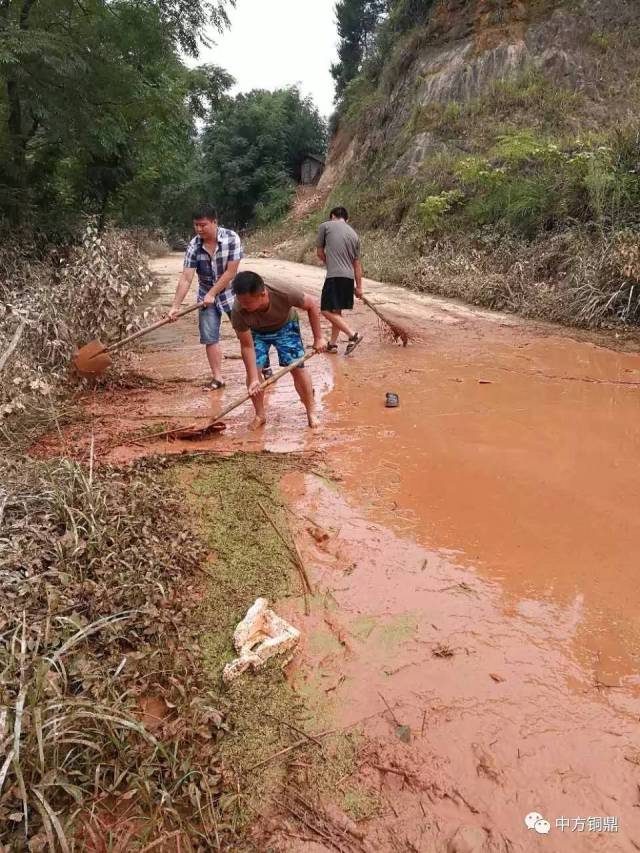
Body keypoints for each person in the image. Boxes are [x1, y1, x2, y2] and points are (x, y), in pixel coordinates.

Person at [230, 271, 327, 430]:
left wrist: (318, 338)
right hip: (257, 332)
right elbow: (247, 346)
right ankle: (260, 415)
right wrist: (254, 378)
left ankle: (311, 412)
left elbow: (311, 305)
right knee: (254, 372)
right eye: (240, 301)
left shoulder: (284, 291)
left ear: (263, 294)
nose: (243, 306)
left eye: (247, 303)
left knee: (297, 368)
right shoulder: (238, 310)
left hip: (285, 326)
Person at [168, 204, 243, 390]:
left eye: (203, 225)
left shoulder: (231, 238)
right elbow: (186, 277)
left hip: (231, 293)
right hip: (205, 297)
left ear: (215, 222)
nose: (199, 229)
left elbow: (231, 272)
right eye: (196, 225)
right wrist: (175, 307)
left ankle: (262, 367)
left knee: (245, 333)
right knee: (210, 337)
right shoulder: (194, 245)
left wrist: (212, 293)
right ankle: (218, 378)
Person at [316, 206, 364, 355]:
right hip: (348, 278)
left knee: (325, 310)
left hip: (334, 276)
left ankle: (352, 335)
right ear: (347, 219)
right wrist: (359, 287)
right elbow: (357, 264)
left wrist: (329, 263)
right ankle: (333, 344)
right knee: (336, 311)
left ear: (332, 216)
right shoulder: (354, 234)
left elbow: (319, 253)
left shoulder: (325, 226)